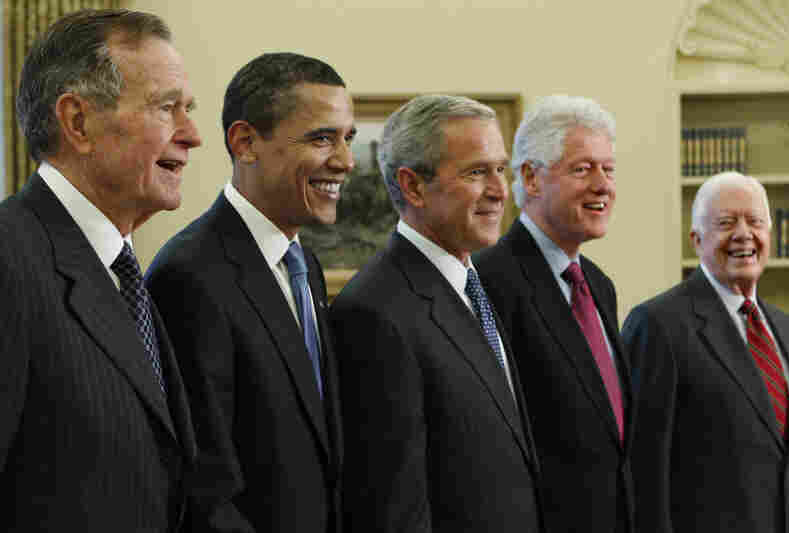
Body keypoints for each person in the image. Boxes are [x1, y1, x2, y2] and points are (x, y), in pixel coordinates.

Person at [0, 8, 201, 532]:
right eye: (166, 108)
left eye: (189, 109)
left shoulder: (122, 273)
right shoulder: (9, 258)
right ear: (78, 122)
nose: (193, 134)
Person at [145, 52, 353, 533]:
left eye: (348, 138)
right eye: (322, 138)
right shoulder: (190, 274)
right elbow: (205, 488)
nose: (343, 161)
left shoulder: (307, 268)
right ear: (245, 143)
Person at [331, 94, 543, 532]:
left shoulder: (473, 284)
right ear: (412, 186)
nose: (500, 191)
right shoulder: (373, 313)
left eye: (499, 169)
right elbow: (393, 507)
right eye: (476, 172)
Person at [474, 94, 633, 533]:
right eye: (583, 168)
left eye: (609, 169)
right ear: (531, 177)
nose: (603, 185)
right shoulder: (488, 281)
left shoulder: (598, 285)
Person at [623, 171, 789, 532]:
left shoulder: (785, 326)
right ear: (696, 239)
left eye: (755, 221)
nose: (743, 234)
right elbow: (644, 468)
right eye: (726, 222)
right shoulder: (658, 324)